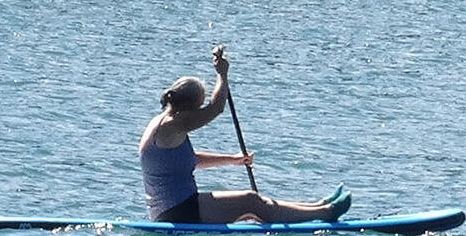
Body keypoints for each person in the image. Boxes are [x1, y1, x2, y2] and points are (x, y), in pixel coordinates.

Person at [138, 46, 350, 224]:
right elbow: (217, 108)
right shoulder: (173, 123)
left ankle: (318, 206)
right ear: (188, 106)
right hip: (178, 212)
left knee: (255, 201)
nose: (200, 111)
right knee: (251, 201)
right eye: (199, 106)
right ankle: (328, 214)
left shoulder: (162, 124)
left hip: (179, 207)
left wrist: (233, 159)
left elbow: (189, 160)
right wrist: (222, 74)